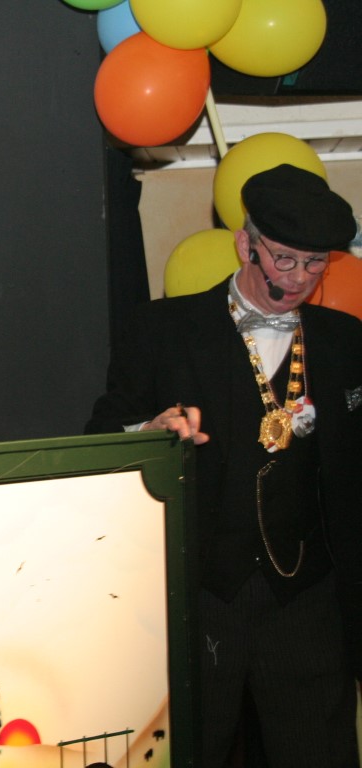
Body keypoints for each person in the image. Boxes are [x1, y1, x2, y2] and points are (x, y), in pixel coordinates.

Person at [86, 163, 362, 767]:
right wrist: (149, 434)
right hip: (199, 595)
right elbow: (100, 439)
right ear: (245, 244)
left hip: (307, 598)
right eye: (284, 259)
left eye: (315, 264)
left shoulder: (347, 342)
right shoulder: (160, 329)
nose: (299, 279)